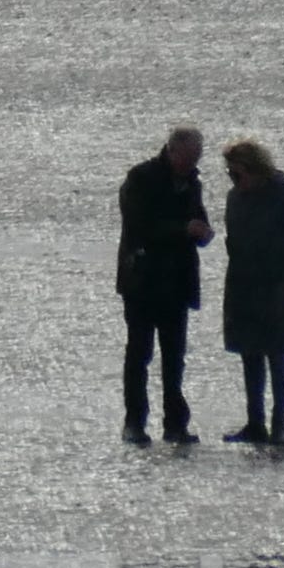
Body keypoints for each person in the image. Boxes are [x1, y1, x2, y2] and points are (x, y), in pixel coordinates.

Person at [217, 138, 284, 449]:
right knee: (249, 353)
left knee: (277, 353)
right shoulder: (234, 198)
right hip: (241, 283)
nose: (234, 181)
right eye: (230, 175)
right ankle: (255, 423)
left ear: (255, 169)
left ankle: (280, 424)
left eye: (237, 174)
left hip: (277, 284)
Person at [114, 125, 212, 444]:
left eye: (196, 158)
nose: (191, 164)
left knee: (174, 356)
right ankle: (134, 422)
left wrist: (202, 231)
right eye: (187, 157)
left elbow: (198, 217)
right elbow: (139, 225)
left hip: (177, 283)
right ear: (172, 150)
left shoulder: (192, 183)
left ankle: (175, 423)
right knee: (139, 354)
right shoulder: (141, 178)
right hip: (142, 280)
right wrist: (184, 229)